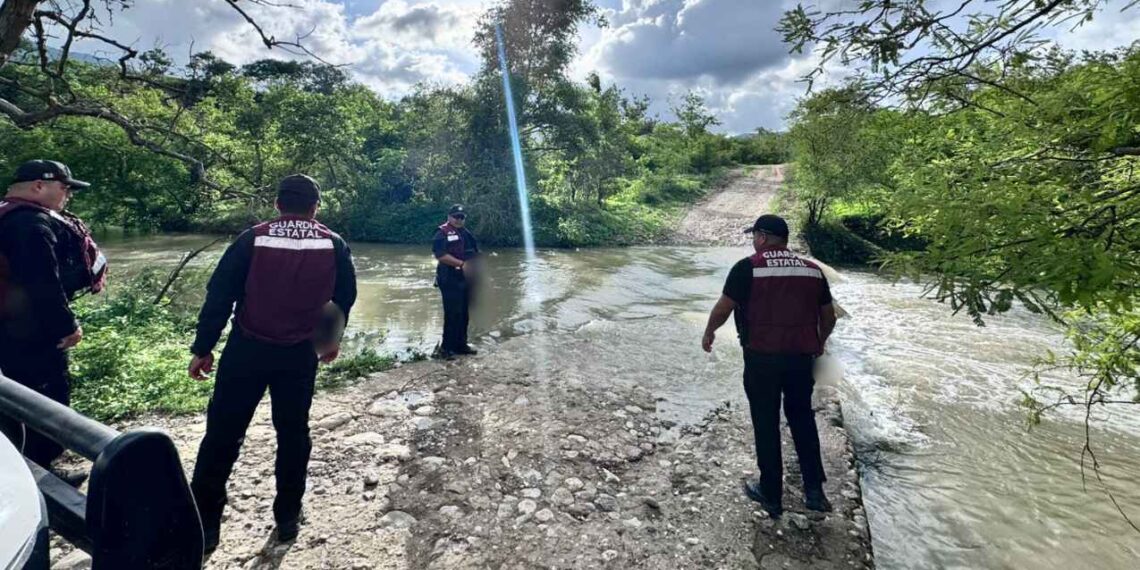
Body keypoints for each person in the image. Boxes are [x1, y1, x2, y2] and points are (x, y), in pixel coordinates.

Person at [187, 174, 357, 552]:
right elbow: (344, 296)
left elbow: (220, 296)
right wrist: (329, 339)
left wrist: (203, 347)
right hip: (299, 354)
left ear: (278, 204)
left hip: (246, 350)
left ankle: (205, 524)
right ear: (315, 207)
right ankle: (287, 518)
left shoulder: (252, 238)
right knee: (293, 434)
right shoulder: (333, 243)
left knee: (222, 434)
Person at [701, 214, 837, 518]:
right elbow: (829, 317)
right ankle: (815, 493)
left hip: (761, 358)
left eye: (754, 236)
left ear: (762, 237)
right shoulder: (813, 271)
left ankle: (771, 494)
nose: (753, 241)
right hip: (801, 359)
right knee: (802, 418)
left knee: (766, 421)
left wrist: (709, 332)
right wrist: (819, 343)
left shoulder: (747, 267)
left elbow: (724, 308)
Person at [0, 160, 106, 484]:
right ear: (38, 186)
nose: (68, 195)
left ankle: (19, 466)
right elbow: (42, 283)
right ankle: (45, 475)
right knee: (46, 399)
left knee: (12, 398)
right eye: (64, 188)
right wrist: (67, 326)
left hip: (8, 328)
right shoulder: (31, 225)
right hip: (28, 333)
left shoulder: (6, 214)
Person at [432, 204, 480, 359]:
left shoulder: (466, 233)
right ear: (449, 216)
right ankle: (446, 348)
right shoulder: (441, 233)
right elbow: (440, 255)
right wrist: (462, 264)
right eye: (456, 217)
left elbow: (474, 253)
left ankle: (461, 345)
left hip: (466, 279)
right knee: (452, 313)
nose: (459, 220)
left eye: (461, 217)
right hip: (449, 278)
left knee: (464, 313)